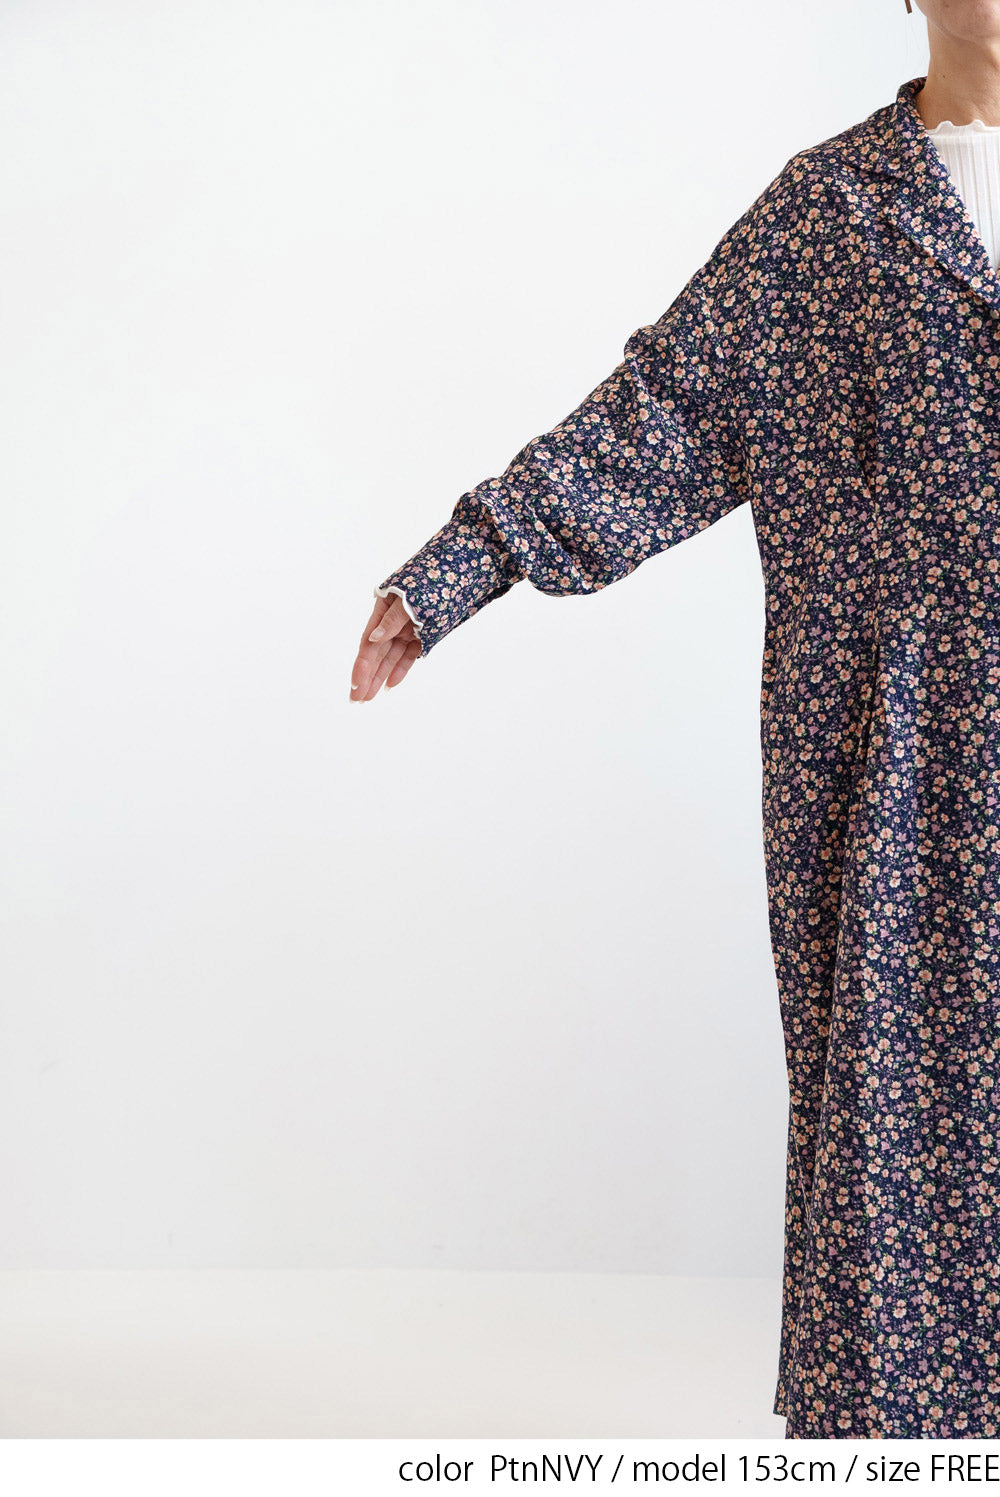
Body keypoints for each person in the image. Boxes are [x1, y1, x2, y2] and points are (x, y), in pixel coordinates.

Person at [351, 1, 1000, 1441]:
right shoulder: (830, 215)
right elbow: (665, 404)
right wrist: (462, 565)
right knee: (894, 1143)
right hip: (891, 776)